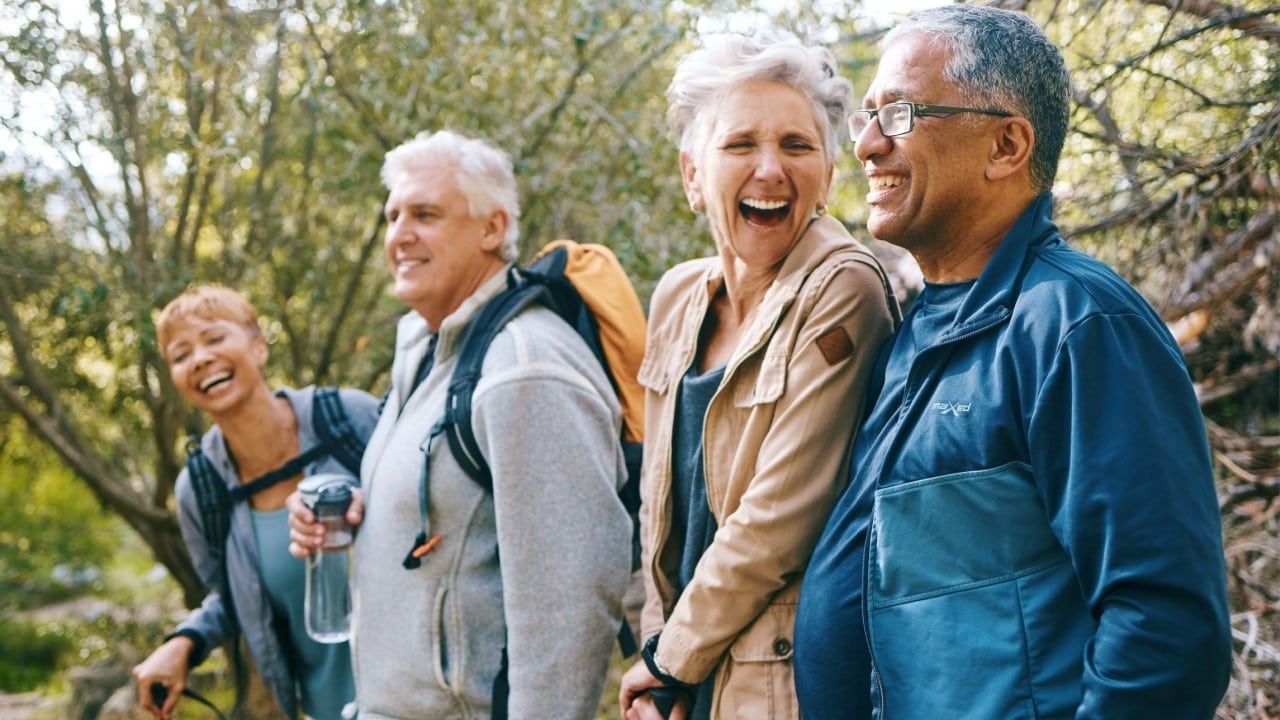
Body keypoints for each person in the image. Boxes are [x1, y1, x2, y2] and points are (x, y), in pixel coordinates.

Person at [794, 5, 1233, 719]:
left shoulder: (1077, 325)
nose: (868, 144)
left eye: (900, 113)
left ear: (1006, 146)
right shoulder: (918, 329)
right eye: (867, 116)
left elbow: (1168, 629)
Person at [287, 129, 633, 719]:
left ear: (492, 228)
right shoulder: (430, 352)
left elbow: (570, 603)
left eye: (425, 214)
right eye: (393, 216)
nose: (399, 235)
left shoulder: (524, 367)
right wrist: (360, 513)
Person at [617, 32, 899, 720]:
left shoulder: (844, 289)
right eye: (740, 145)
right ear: (692, 175)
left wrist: (665, 660)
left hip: (783, 686)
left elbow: (778, 521)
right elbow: (660, 513)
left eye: (797, 146)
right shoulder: (678, 298)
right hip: (689, 673)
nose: (770, 169)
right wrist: (664, 668)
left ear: (829, 177)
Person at [132, 285, 380, 720]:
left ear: (259, 347)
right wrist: (184, 643)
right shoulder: (201, 488)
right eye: (181, 354)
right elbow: (232, 596)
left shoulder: (348, 418)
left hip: (431, 695)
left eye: (214, 338)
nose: (201, 358)